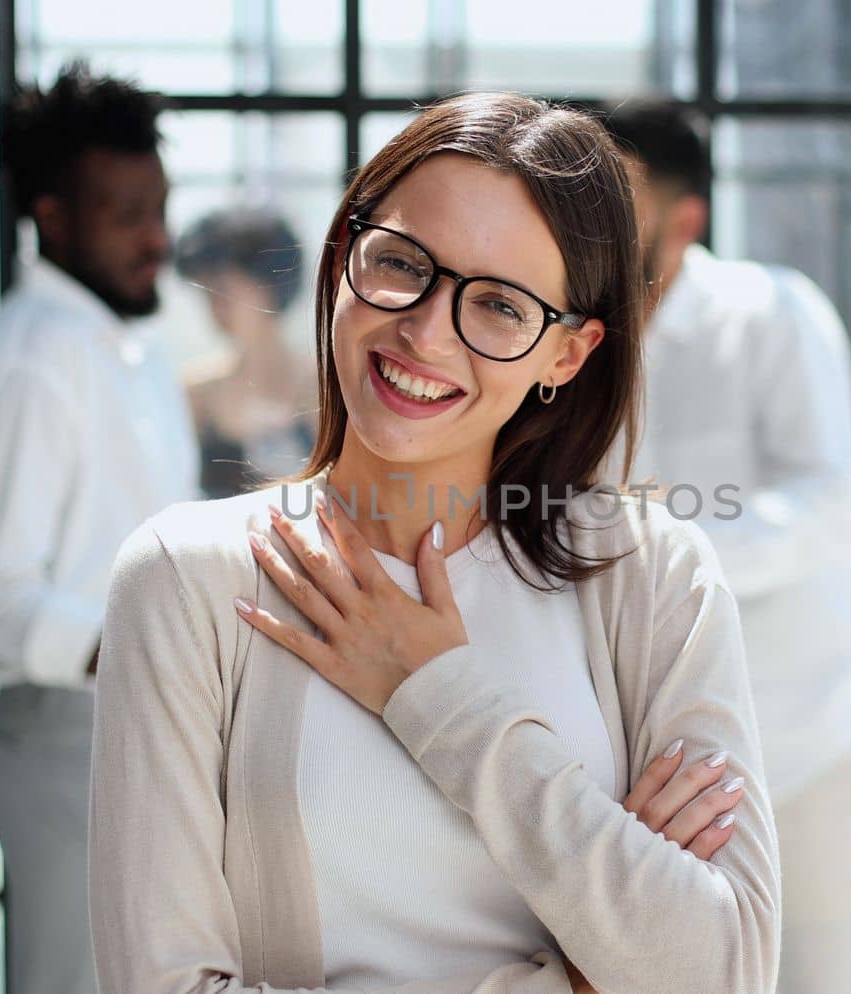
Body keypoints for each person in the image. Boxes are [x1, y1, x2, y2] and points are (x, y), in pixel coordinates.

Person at [88, 92, 781, 994]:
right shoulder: (187, 580)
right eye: (404, 264)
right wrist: (578, 979)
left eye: (498, 305)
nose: (424, 330)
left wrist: (441, 696)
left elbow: (722, 974)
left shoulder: (651, 576)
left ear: (567, 356)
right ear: (345, 256)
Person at [602, 100, 851, 994]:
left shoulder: (771, 315)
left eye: (616, 205)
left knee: (844, 979)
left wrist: (652, 545)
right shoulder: (569, 341)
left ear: (684, 220)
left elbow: (824, 502)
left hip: (803, 737)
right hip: (644, 769)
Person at [0, 61, 198, 994]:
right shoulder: (27, 366)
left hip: (134, 721)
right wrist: (161, 647)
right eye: (125, 213)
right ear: (50, 214)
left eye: (159, 208)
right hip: (65, 741)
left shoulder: (127, 347)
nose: (156, 239)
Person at [174, 205, 318, 498]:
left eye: (224, 289)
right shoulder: (197, 392)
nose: (214, 306)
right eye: (206, 291)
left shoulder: (325, 389)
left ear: (270, 284)